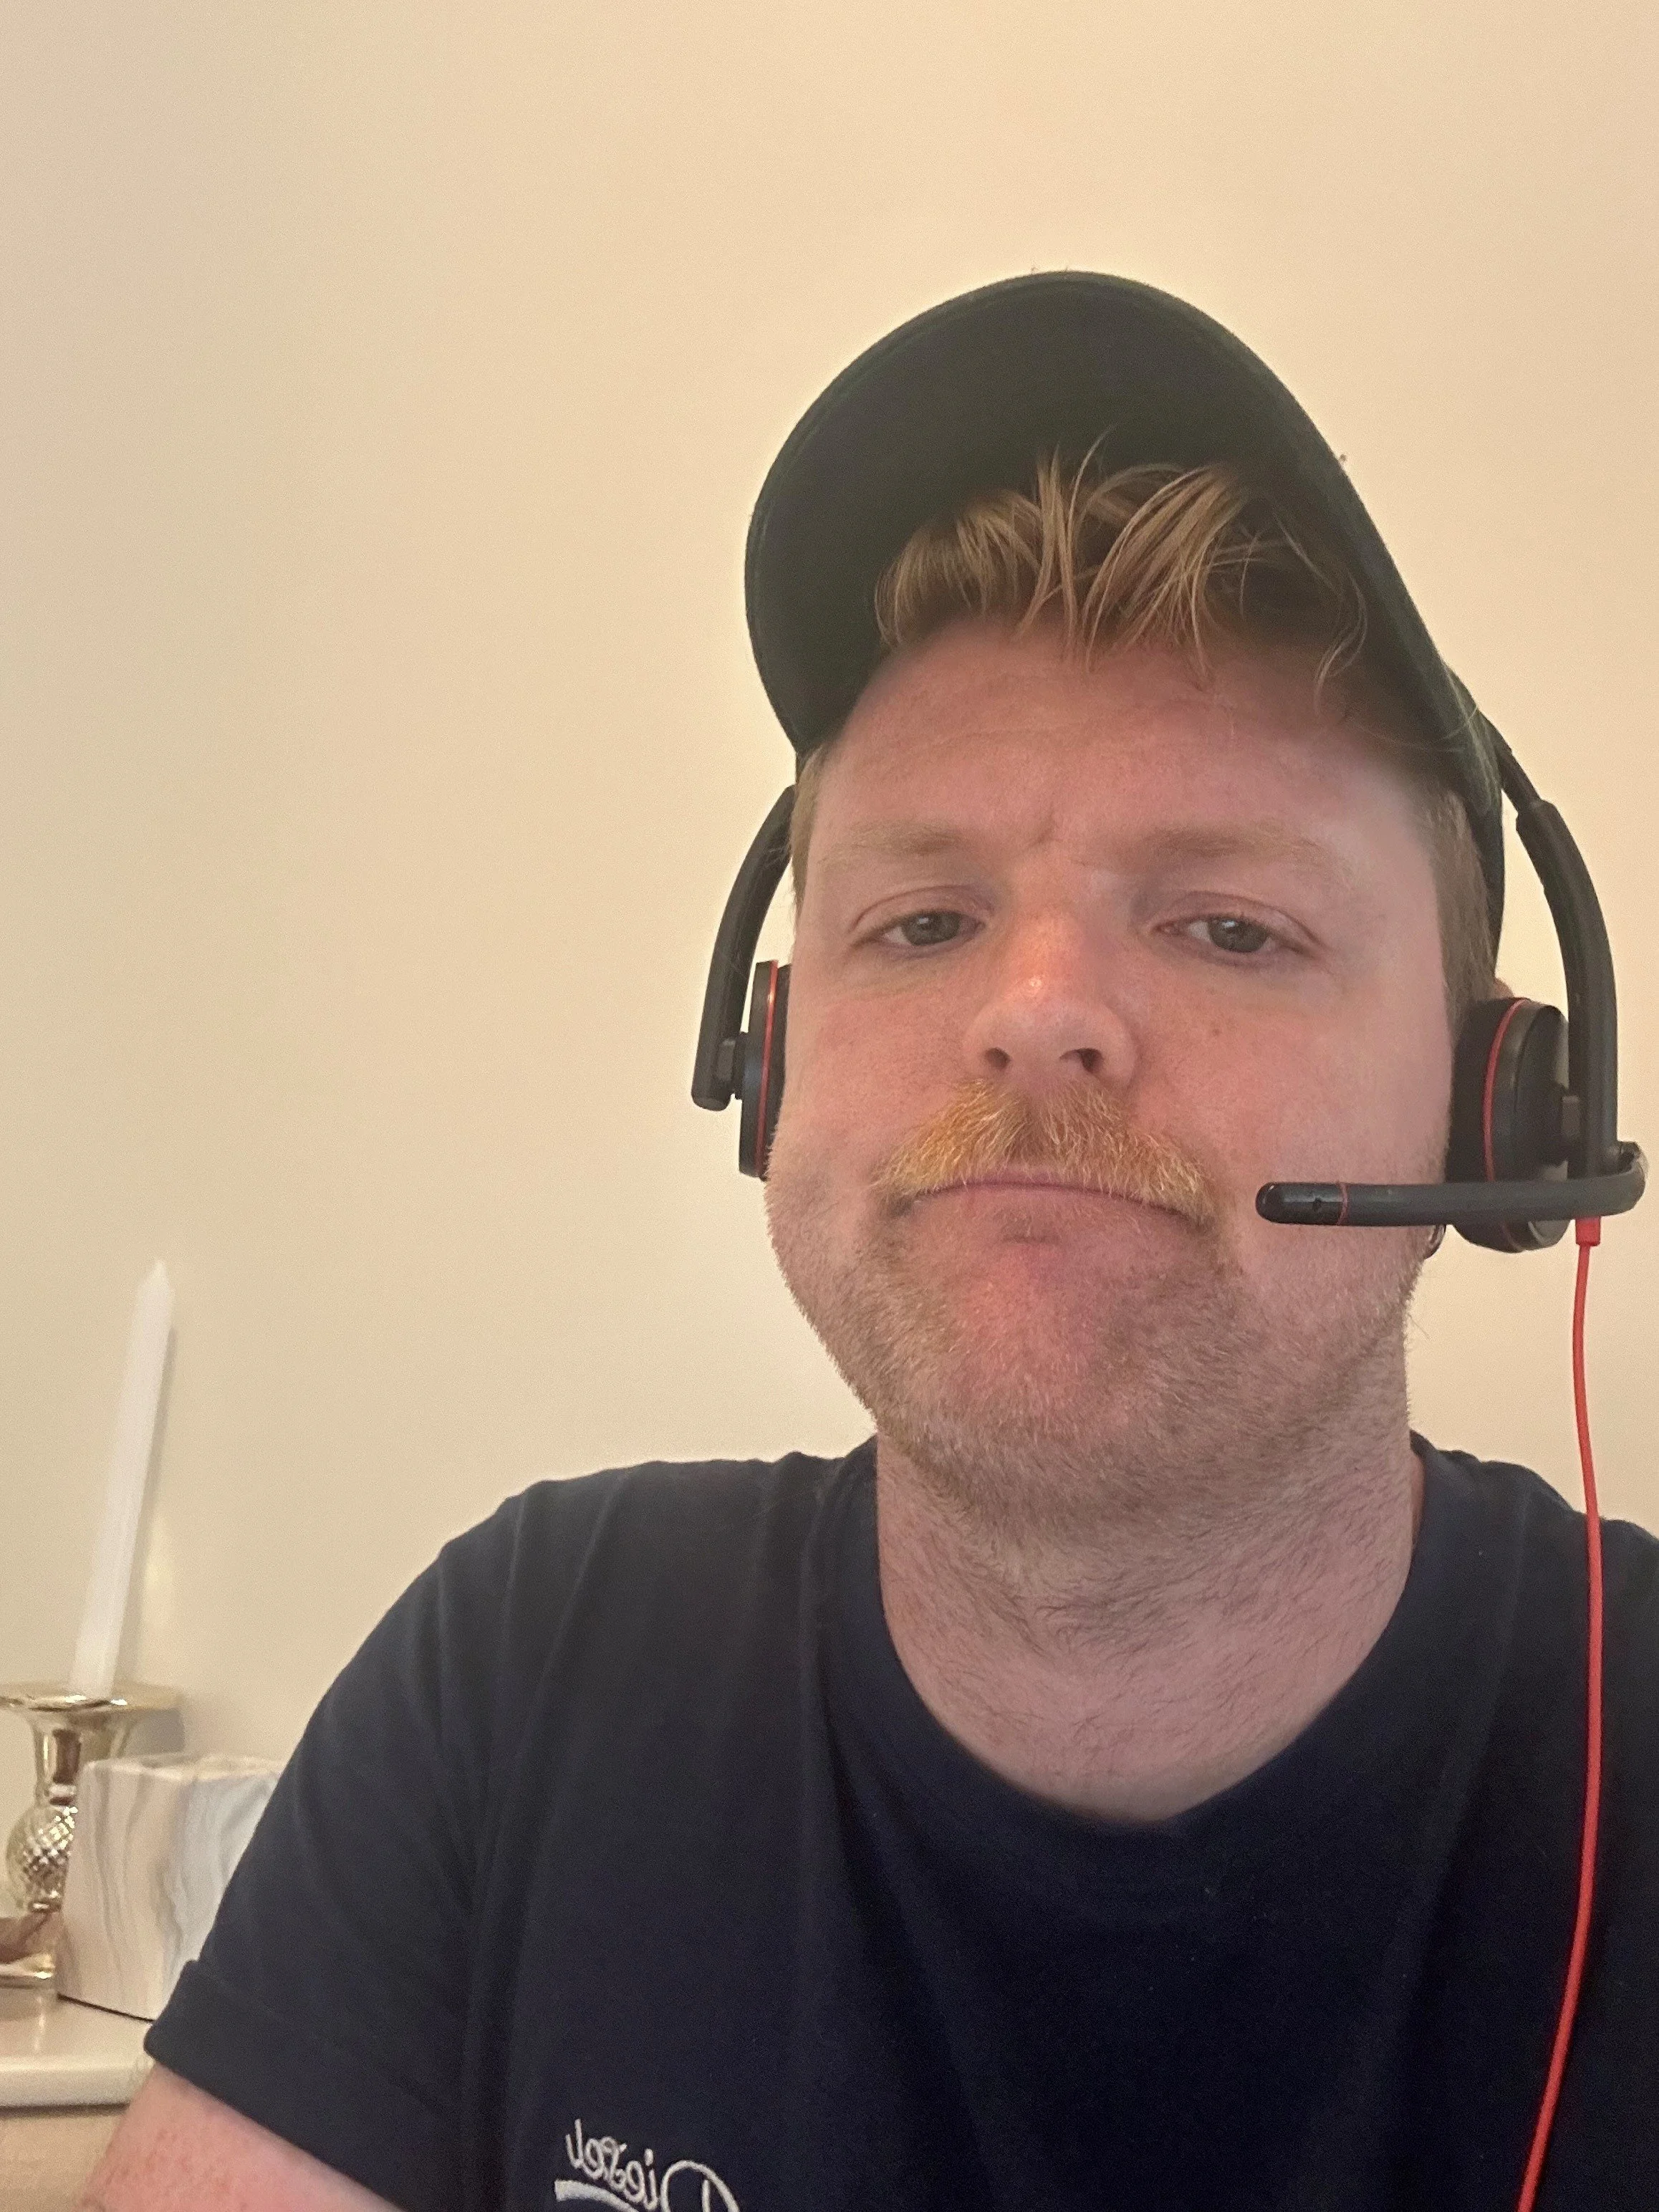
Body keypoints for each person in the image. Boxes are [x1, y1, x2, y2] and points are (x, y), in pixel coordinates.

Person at [87, 276, 1657, 2212]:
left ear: (1491, 1109)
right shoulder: (529, 1670)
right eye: (920, 923)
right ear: (768, 1059)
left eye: (1230, 927)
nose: (1035, 1012)